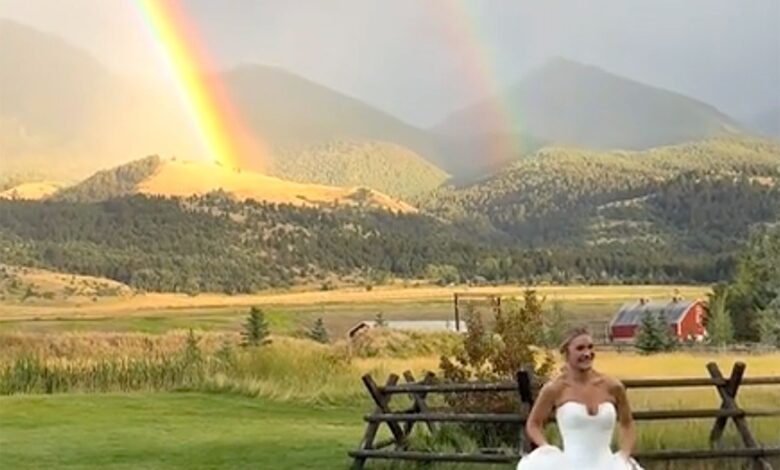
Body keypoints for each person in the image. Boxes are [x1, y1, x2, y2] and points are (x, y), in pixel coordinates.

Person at [516, 327, 643, 470]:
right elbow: (534, 424)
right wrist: (547, 449)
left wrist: (624, 455)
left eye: (590, 347)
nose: (587, 353)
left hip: (608, 465)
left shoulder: (613, 386)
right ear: (566, 353)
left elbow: (627, 424)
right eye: (580, 348)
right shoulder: (555, 389)